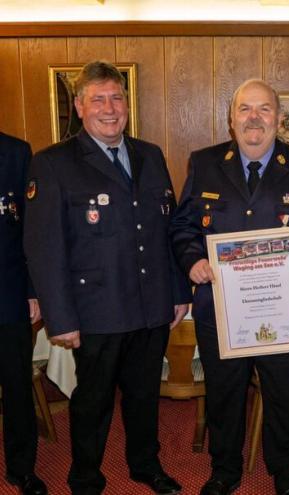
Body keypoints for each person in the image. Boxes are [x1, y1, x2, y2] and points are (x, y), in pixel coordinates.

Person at [23, 61, 191, 495]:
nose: (109, 108)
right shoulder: (53, 164)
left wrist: (176, 291)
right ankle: (85, 475)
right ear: (80, 107)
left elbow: (165, 227)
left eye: (116, 98)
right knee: (92, 402)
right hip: (94, 310)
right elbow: (44, 248)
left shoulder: (149, 155)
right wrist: (61, 318)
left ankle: (145, 465)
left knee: (143, 396)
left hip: (150, 305)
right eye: (98, 99)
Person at [170, 79, 289, 495]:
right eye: (245, 109)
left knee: (285, 399)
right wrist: (192, 259)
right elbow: (182, 226)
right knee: (224, 397)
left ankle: (288, 473)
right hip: (222, 311)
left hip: (286, 313)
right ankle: (224, 471)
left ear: (279, 119)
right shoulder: (205, 163)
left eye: (264, 109)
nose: (254, 118)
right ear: (231, 120)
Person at [0, 131, 47, 495]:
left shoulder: (16, 152)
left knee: (17, 387)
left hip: (8, 291)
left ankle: (22, 469)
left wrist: (33, 289)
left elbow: (29, 227)